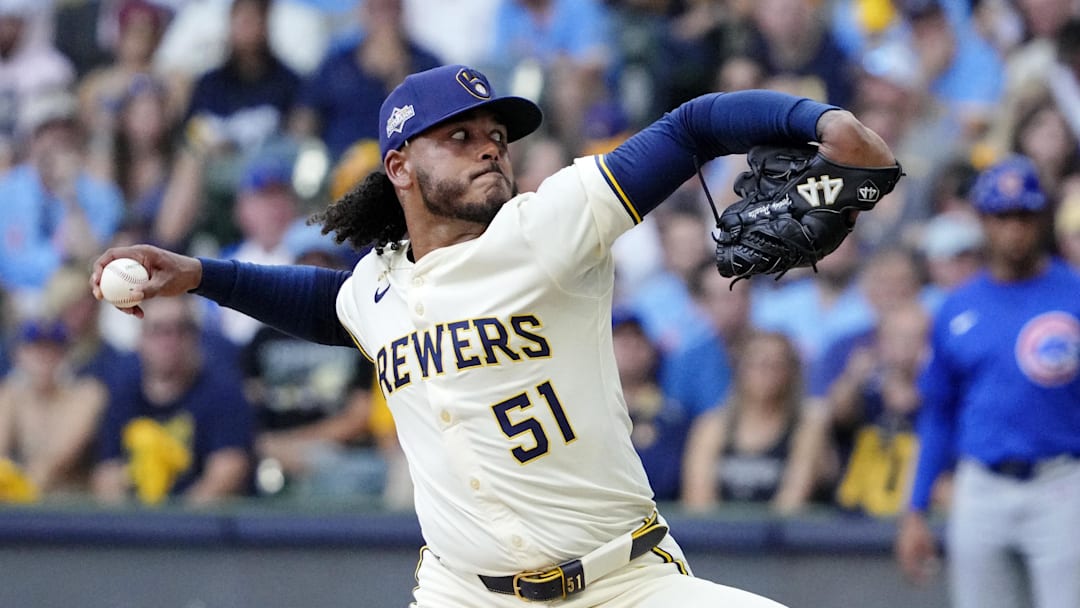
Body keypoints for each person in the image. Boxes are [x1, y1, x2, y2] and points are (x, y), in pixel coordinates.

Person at [92, 63, 896, 606]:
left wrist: (822, 121)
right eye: (460, 136)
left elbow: (692, 128)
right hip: (464, 593)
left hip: (624, 585)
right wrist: (201, 274)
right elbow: (330, 305)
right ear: (400, 166)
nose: (489, 148)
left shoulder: (548, 226)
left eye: (496, 138)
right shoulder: (379, 286)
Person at [895, 155, 1080, 608]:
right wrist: (916, 508)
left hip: (1062, 480)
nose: (1014, 229)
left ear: (1043, 218)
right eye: (1002, 216)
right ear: (982, 220)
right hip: (980, 483)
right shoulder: (957, 307)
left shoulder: (1074, 294)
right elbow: (939, 412)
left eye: (1024, 215)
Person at [91, 296, 254, 506]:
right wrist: (129, 519)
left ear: (196, 336)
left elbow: (228, 470)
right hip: (137, 519)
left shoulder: (224, 394)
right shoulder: (122, 394)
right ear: (140, 339)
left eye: (181, 329)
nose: (169, 340)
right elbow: (107, 472)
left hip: (199, 521)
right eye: (158, 330)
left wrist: (174, 520)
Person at [681, 331, 833, 515]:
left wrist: (763, 531)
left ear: (791, 371)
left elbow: (792, 501)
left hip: (783, 531)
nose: (765, 372)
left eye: (776, 365)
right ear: (740, 368)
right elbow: (698, 502)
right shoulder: (712, 425)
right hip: (718, 530)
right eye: (756, 363)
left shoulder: (807, 425)